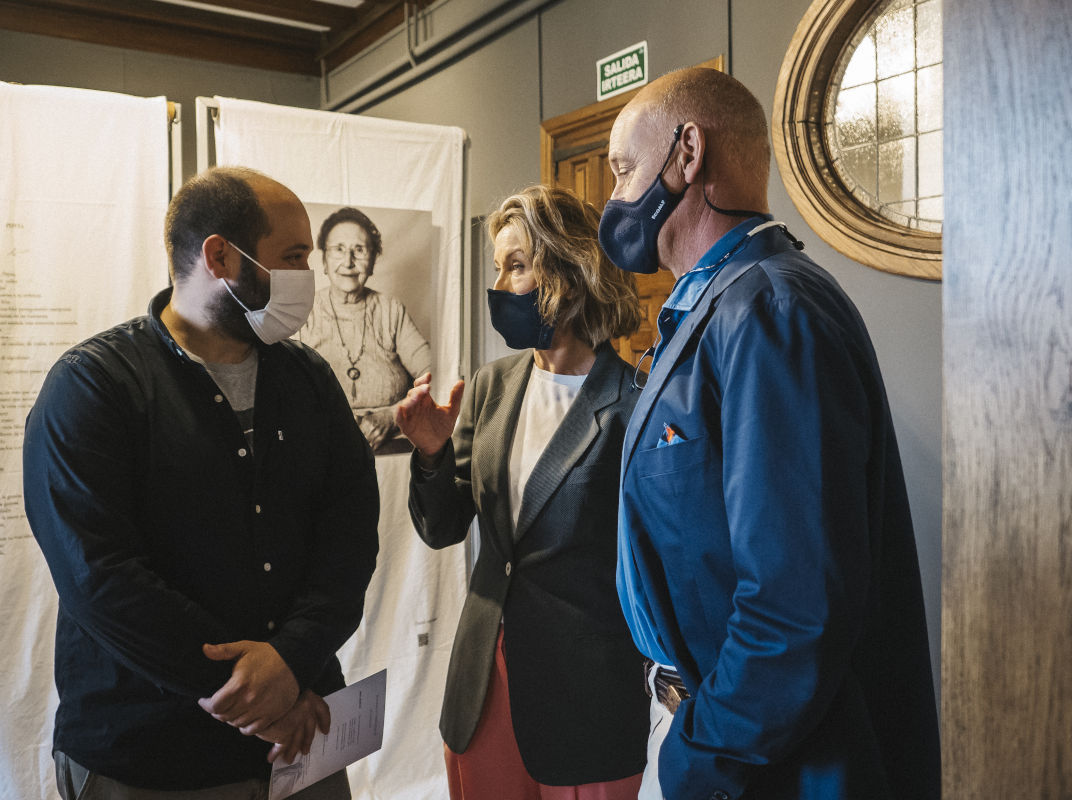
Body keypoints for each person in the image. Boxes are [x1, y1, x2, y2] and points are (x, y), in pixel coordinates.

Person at [599, 67, 940, 800]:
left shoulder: (771, 310)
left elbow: (795, 603)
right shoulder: (714, 307)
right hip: (705, 724)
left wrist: (699, 757)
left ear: (686, 155)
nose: (615, 200)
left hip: (754, 756)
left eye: (624, 170)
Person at [23, 166, 379, 799]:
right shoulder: (92, 387)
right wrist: (259, 693)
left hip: (302, 743)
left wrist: (292, 660)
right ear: (220, 256)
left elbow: (349, 537)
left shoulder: (309, 380)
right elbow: (100, 577)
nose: (309, 276)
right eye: (294, 257)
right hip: (152, 756)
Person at [396, 184, 650, 800]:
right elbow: (443, 527)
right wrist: (431, 453)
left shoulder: (636, 404)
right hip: (485, 683)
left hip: (587, 694)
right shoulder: (489, 387)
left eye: (516, 265)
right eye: (498, 268)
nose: (501, 285)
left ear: (568, 270)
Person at [299, 206, 431, 454]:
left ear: (372, 261)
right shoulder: (304, 312)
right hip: (319, 451)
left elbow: (434, 376)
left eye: (359, 250)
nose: (348, 262)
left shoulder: (390, 311)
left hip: (393, 450)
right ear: (325, 260)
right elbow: (282, 391)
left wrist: (393, 416)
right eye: (338, 249)